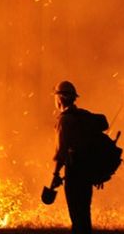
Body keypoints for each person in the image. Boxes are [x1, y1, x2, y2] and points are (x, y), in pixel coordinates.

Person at [50, 80, 109, 234]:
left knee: (77, 216)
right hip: (87, 174)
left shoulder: (64, 120)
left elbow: (61, 151)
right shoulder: (85, 116)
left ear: (60, 98)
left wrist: (55, 175)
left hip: (74, 174)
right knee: (84, 214)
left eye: (55, 96)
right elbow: (103, 124)